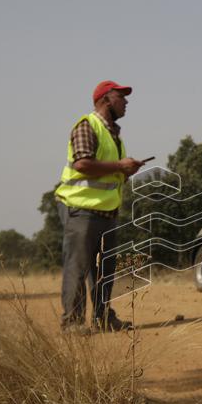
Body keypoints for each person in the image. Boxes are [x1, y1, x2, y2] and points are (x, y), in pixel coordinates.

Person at [55, 80, 145, 332]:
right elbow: (82, 164)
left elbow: (110, 173)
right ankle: (72, 323)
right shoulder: (88, 125)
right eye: (121, 97)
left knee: (104, 270)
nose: (126, 101)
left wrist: (126, 170)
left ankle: (103, 318)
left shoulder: (114, 136)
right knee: (78, 267)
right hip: (81, 209)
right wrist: (120, 166)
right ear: (105, 100)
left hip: (106, 212)